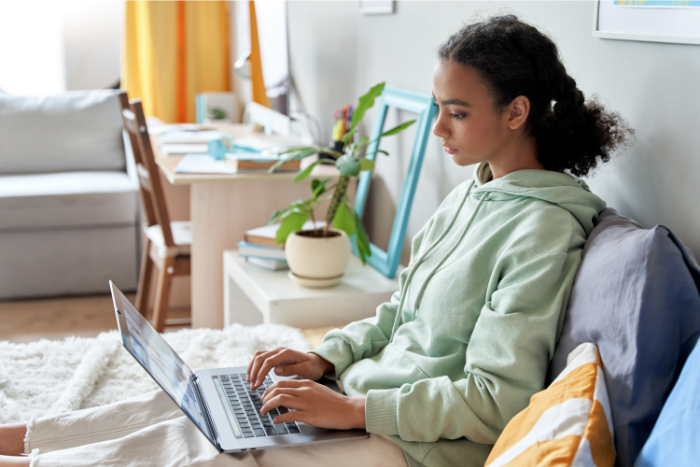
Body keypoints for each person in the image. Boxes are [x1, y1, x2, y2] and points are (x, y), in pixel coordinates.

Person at [0, 15, 632, 467]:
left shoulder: (543, 228)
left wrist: (354, 413)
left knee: (215, 451)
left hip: (416, 445)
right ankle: (26, 440)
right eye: (438, 106)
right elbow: (399, 314)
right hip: (359, 397)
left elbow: (498, 399)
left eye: (456, 113)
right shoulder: (476, 189)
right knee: (200, 404)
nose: (437, 128)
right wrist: (326, 360)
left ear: (516, 112)